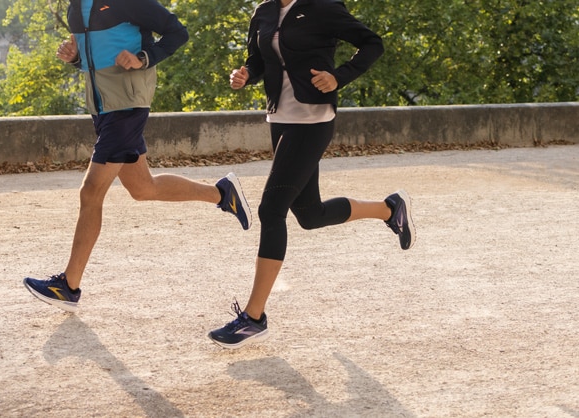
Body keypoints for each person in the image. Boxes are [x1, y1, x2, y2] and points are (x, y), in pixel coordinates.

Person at [207, 0, 415, 349]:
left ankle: (254, 318)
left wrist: (339, 77)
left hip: (313, 119)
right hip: (280, 117)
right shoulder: (264, 11)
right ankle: (390, 209)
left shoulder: (322, 7)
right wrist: (245, 75)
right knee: (309, 214)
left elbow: (372, 43)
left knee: (271, 210)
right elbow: (258, 60)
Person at [23, 0, 252, 312]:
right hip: (101, 106)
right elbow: (93, 55)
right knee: (143, 188)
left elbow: (177, 32)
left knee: (91, 191)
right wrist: (75, 58)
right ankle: (222, 194)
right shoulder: (75, 7)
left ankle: (68, 286)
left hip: (127, 103)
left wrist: (142, 58)